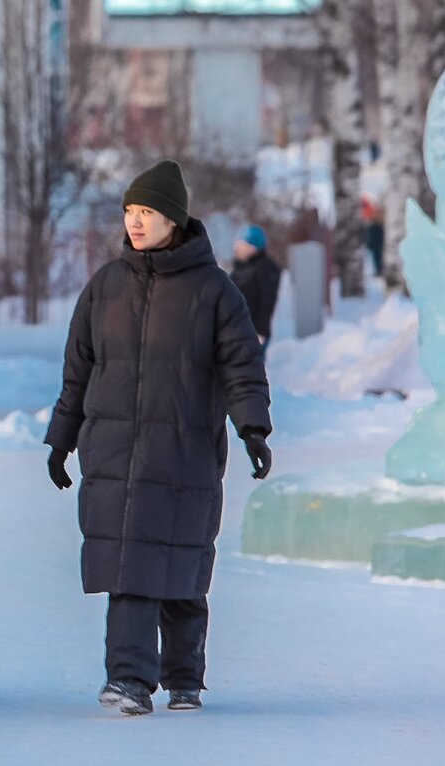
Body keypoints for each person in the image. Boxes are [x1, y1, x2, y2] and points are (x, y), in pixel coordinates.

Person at [44, 159, 273, 715]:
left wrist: (253, 428)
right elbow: (79, 370)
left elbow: (242, 366)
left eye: (147, 212)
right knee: (131, 568)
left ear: (174, 218)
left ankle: (184, 678)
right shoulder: (106, 287)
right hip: (116, 453)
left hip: (184, 451)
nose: (136, 222)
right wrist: (61, 438)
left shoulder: (215, 292)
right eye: (129, 212)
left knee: (183, 569)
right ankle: (129, 680)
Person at [230, 224, 283, 358]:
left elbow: (268, 302)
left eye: (241, 244)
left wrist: (259, 331)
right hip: (233, 332)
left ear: (252, 247)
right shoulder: (240, 269)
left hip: (251, 333)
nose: (236, 247)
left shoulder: (266, 268)